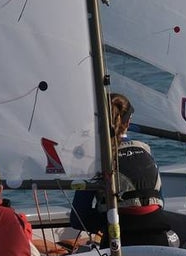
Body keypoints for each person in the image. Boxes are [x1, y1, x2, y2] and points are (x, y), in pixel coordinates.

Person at [71, 93, 178, 247]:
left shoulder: (94, 159)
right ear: (128, 122)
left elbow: (78, 218)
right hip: (158, 238)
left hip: (117, 243)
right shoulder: (146, 151)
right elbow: (160, 202)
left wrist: (105, 223)